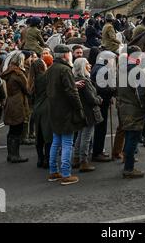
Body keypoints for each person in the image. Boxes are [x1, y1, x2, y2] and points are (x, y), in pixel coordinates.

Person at [46, 45, 85, 185]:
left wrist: (73, 84)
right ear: (64, 55)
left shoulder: (51, 68)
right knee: (67, 142)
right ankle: (66, 174)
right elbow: (71, 92)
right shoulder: (65, 69)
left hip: (53, 109)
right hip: (65, 110)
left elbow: (58, 87)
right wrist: (79, 108)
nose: (71, 56)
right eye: (69, 53)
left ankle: (53, 171)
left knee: (56, 141)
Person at [117, 46, 145, 178]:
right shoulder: (137, 71)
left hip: (123, 106)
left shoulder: (121, 70)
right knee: (132, 138)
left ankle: (126, 160)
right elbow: (142, 93)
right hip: (133, 108)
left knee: (129, 136)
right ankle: (129, 169)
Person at [72, 57, 103, 172]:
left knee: (80, 135)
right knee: (86, 137)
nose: (90, 65)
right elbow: (91, 98)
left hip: (82, 111)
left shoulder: (76, 79)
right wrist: (99, 99)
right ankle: (83, 161)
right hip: (89, 112)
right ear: (83, 67)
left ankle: (76, 158)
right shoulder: (84, 81)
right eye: (87, 64)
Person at [2, 52, 29, 163]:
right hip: (18, 102)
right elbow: (27, 89)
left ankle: (11, 154)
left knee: (12, 131)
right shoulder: (18, 74)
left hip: (10, 100)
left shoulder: (9, 72)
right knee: (17, 130)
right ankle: (15, 155)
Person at [28, 58, 51, 168]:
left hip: (36, 108)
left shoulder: (32, 79)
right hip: (46, 107)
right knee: (47, 136)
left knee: (39, 135)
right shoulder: (45, 77)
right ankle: (47, 159)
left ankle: (40, 159)